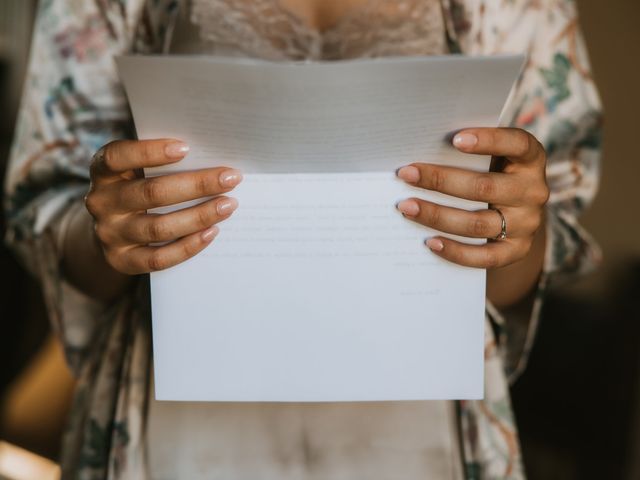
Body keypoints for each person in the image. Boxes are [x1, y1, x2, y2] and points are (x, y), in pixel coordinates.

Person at [4, 0, 602, 478]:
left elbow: (523, 265)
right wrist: (112, 229)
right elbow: (43, 213)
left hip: (417, 429)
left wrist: (517, 225)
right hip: (174, 422)